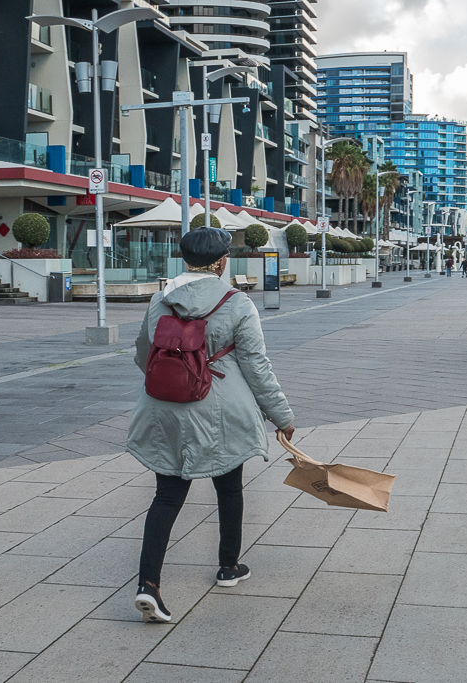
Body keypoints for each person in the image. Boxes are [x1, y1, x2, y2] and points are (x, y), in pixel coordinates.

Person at [128, 226, 295, 624]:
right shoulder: (237, 303)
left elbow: (142, 353)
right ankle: (228, 567)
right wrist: (281, 415)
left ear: (185, 260)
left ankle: (148, 585)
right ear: (221, 262)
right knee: (229, 487)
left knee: (167, 495)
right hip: (220, 410)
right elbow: (256, 366)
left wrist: (174, 376)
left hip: (165, 406)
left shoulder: (160, 300)